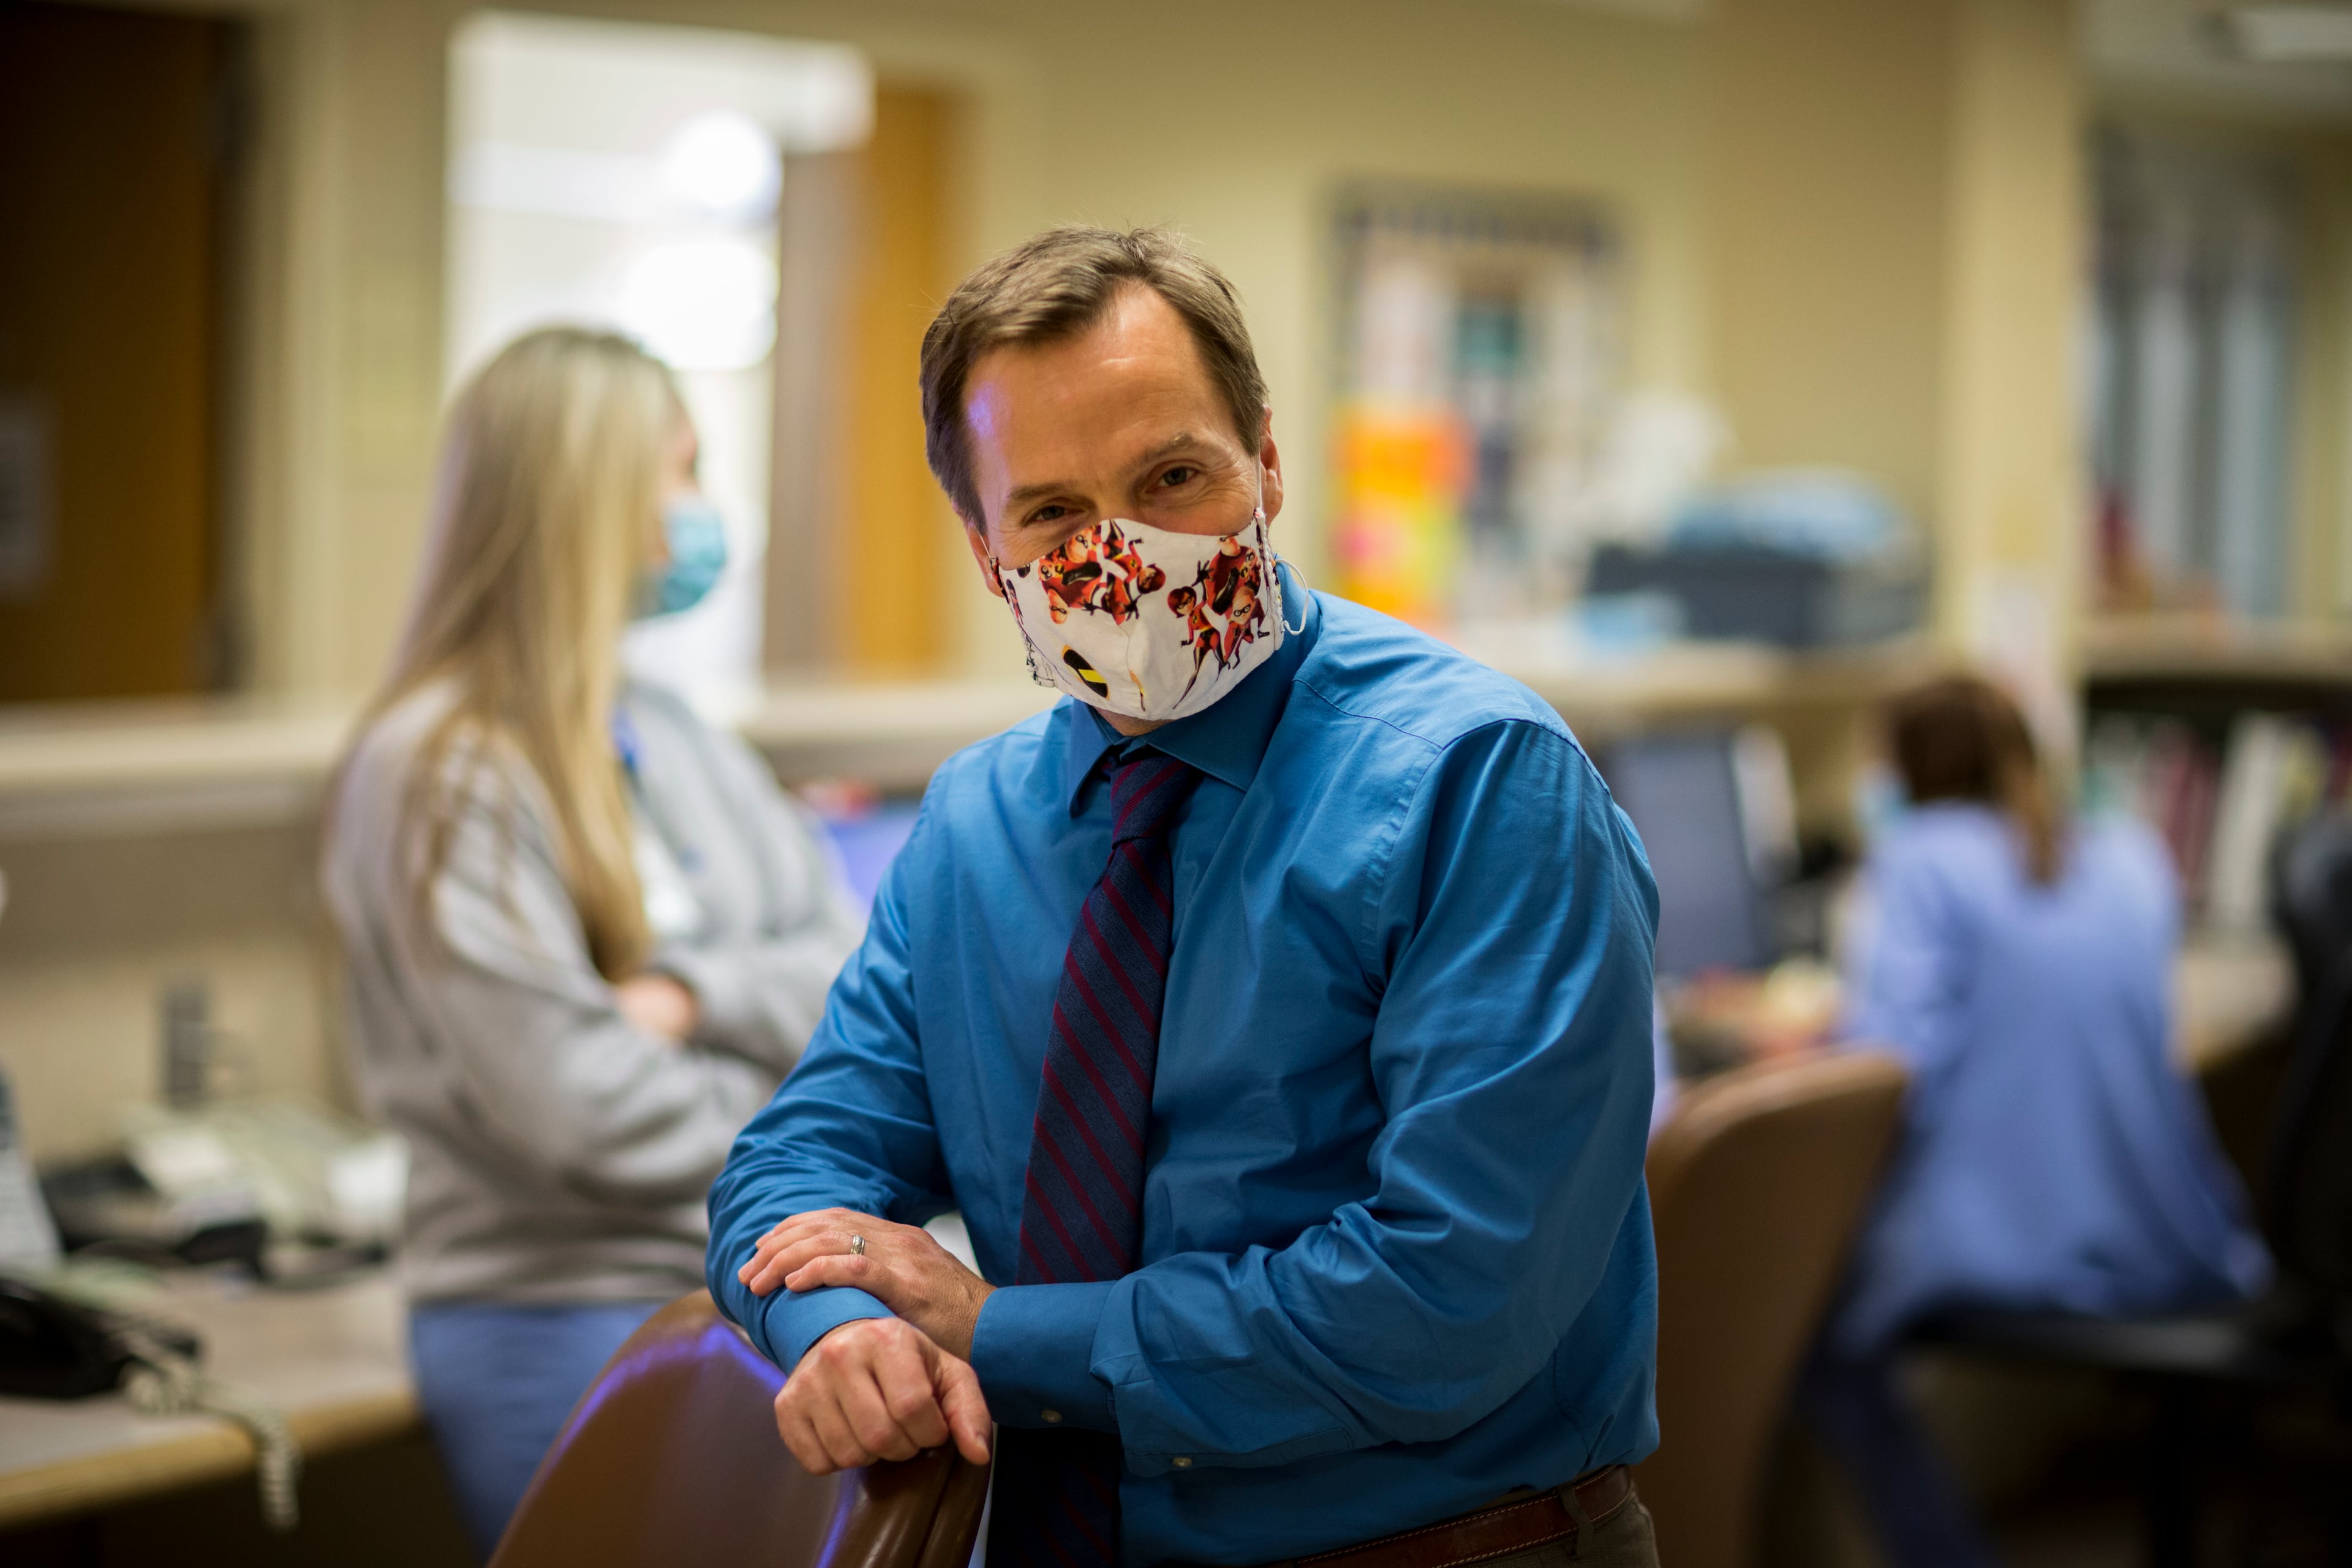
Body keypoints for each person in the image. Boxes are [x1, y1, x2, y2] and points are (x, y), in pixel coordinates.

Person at [706, 227, 1664, 1568]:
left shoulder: (1477, 781)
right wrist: (846, 1326)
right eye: (1051, 514)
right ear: (988, 551)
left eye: (1172, 476)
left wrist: (997, 1332)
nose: (1125, 555)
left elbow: (1453, 1300)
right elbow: (795, 1160)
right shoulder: (977, 823)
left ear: (1266, 461)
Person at [322, 327, 864, 1558]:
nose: (701, 511)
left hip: (738, 1278)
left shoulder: (675, 733)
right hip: (558, 1308)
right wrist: (808, 1131)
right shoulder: (440, 771)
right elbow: (584, 1110)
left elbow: (848, 970)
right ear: (585, 495)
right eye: (677, 471)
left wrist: (683, 990)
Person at [1800, 674, 2271, 1568]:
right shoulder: (2132, 853)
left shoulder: (1922, 857)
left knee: (1815, 1337)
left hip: (2015, 1246)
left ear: (1905, 771)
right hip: (2168, 1232)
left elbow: (1889, 1067)